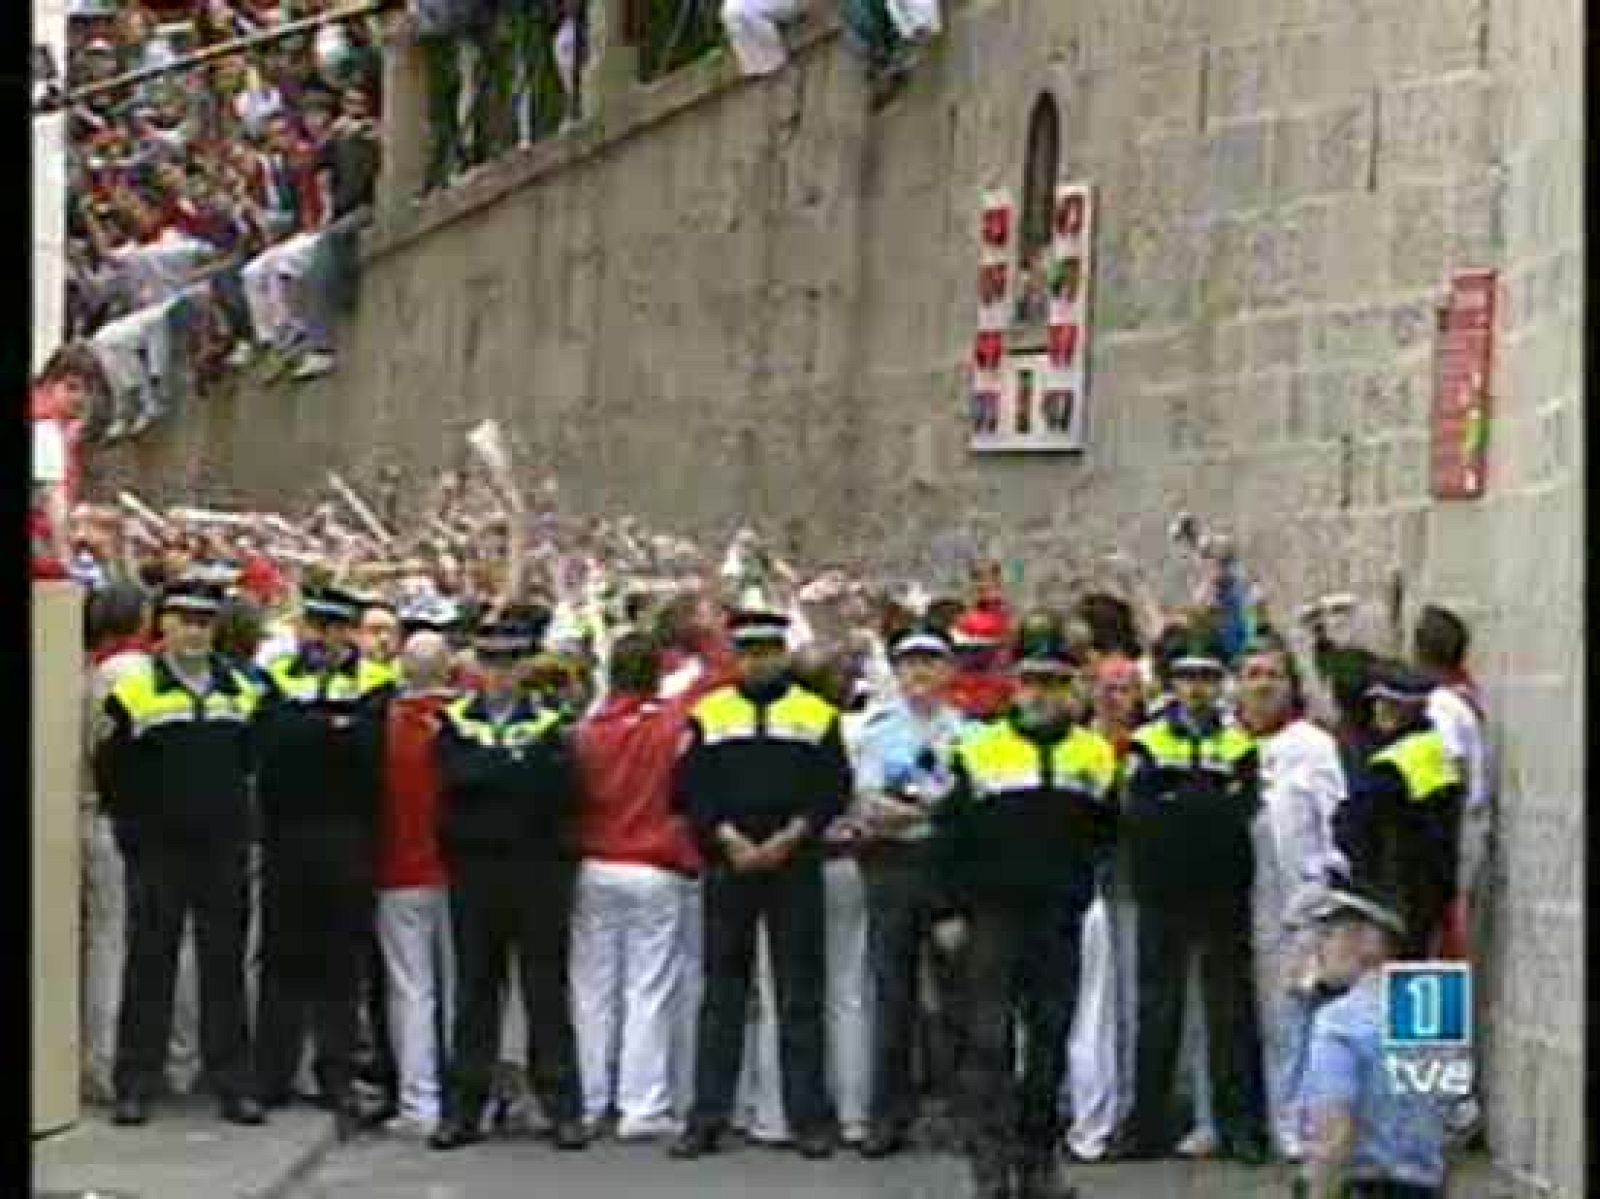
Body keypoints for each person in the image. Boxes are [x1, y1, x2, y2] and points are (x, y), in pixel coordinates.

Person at [929, 623, 1118, 1199]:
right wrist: (947, 912)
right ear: (1015, 686)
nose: (1041, 695)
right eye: (1032, 683)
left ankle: (1037, 1164)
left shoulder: (1095, 753)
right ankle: (990, 1167)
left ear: (1071, 690)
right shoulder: (978, 750)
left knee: (1049, 1043)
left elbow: (1106, 835)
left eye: (1055, 684)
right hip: (992, 917)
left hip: (1059, 918)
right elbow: (948, 838)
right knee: (988, 1043)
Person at [668, 603, 851, 1161]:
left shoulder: (816, 714)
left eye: (767, 652)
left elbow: (832, 788)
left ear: (783, 655)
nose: (757, 663)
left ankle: (808, 1120)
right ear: (734, 657)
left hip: (793, 863)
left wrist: (791, 837)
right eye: (747, 653)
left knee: (800, 997)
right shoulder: (710, 712)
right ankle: (707, 1118)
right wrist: (727, 838)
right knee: (721, 996)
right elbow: (688, 789)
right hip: (730, 863)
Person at [93, 576, 265, 1127]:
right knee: (149, 967)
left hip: (222, 850)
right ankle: (135, 1084)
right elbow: (113, 775)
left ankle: (232, 1082)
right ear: (161, 625)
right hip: (159, 853)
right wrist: (136, 840)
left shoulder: (242, 690)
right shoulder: (135, 692)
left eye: (204, 622)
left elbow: (253, 765)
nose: (194, 631)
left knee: (224, 968)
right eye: (184, 620)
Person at [428, 615, 587, 1152]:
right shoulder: (454, 721)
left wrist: (493, 771)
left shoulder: (550, 722)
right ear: (477, 667)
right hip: (475, 874)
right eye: (491, 663)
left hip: (537, 873)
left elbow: (559, 793)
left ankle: (562, 1107)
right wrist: (512, 768)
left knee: (546, 992)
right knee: (475, 992)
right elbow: (453, 780)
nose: (500, 675)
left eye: (510, 664)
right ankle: (463, 1111)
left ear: (524, 668)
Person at [1121, 631, 1269, 1163]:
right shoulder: (1148, 742)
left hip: (1223, 890)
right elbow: (1139, 815)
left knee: (1230, 1012)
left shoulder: (1238, 744)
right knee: (1157, 1009)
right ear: (1173, 684)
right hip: (1163, 889)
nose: (1198, 689)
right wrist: (1203, 803)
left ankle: (1241, 1127)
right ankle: (1147, 1125)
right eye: (1189, 678)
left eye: (1208, 678)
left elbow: (1245, 808)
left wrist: (1181, 801)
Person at [254, 586, 395, 1136]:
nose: (325, 639)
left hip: (348, 835)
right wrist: (330, 730)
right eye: (317, 626)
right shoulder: (277, 679)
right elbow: (272, 749)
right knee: (282, 957)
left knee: (341, 962)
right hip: (288, 833)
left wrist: (312, 732)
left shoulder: (377, 684)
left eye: (336, 629)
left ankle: (336, 1073)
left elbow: (368, 756)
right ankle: (274, 1070)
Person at [570, 632, 701, 1141]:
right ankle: (641, 1104)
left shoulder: (587, 731)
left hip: (596, 861)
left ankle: (589, 1097)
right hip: (655, 865)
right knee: (649, 988)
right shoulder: (674, 726)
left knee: (593, 989)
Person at [850, 624, 970, 1158]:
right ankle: (888, 1116)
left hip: (945, 868)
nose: (919, 673)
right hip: (891, 867)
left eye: (930, 663)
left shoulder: (967, 734)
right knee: (892, 993)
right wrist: (928, 811)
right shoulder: (872, 731)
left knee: (956, 998)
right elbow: (869, 807)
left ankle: (960, 1114)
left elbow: (968, 808)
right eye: (909, 664)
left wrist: (924, 812)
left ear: (948, 671)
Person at [1236, 634, 1349, 1163]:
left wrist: (1323, 899)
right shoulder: (1235, 745)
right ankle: (1286, 1127)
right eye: (1252, 674)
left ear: (1291, 686)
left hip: (1304, 904)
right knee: (1274, 1025)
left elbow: (1330, 824)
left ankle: (1306, 1134)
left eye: (1272, 675)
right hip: (1258, 901)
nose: (1261, 684)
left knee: (1301, 1021)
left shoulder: (1312, 746)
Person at [1297, 887, 1447, 1198]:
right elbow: (1457, 1119)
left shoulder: (1338, 1022)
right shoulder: (1431, 1014)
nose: (1316, 949)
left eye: (1328, 934)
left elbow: (1334, 1131)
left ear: (1370, 942)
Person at [373, 631, 457, 1140]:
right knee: (460, 989)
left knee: (410, 992)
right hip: (455, 871)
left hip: (398, 872)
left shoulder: (384, 728)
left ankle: (417, 1100)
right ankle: (462, 1095)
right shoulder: (464, 724)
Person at [1062, 652, 1144, 1163]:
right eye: (1109, 688)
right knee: (1089, 1009)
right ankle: (1087, 1111)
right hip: (1086, 888)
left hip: (1136, 888)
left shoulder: (1149, 747)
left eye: (1127, 688)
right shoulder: (1079, 746)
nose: (1117, 699)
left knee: (1131, 1005)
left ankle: (1127, 1110)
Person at [1332, 665, 1463, 963]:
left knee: (1394, 977)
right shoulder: (1434, 747)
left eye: (1382, 703)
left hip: (1397, 888)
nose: (1376, 710)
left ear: (1399, 709)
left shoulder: (1393, 764)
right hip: (1432, 887)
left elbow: (1355, 823)